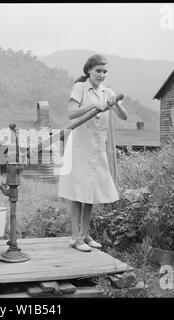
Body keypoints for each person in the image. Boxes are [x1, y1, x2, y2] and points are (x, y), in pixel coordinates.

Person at [58, 54, 128, 252]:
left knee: (91, 190)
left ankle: (85, 234)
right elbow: (71, 113)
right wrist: (92, 106)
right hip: (80, 146)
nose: (102, 75)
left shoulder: (108, 92)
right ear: (89, 70)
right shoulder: (80, 88)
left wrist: (114, 104)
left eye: (105, 71)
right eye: (98, 71)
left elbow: (124, 116)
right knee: (78, 191)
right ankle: (75, 237)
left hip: (96, 147)